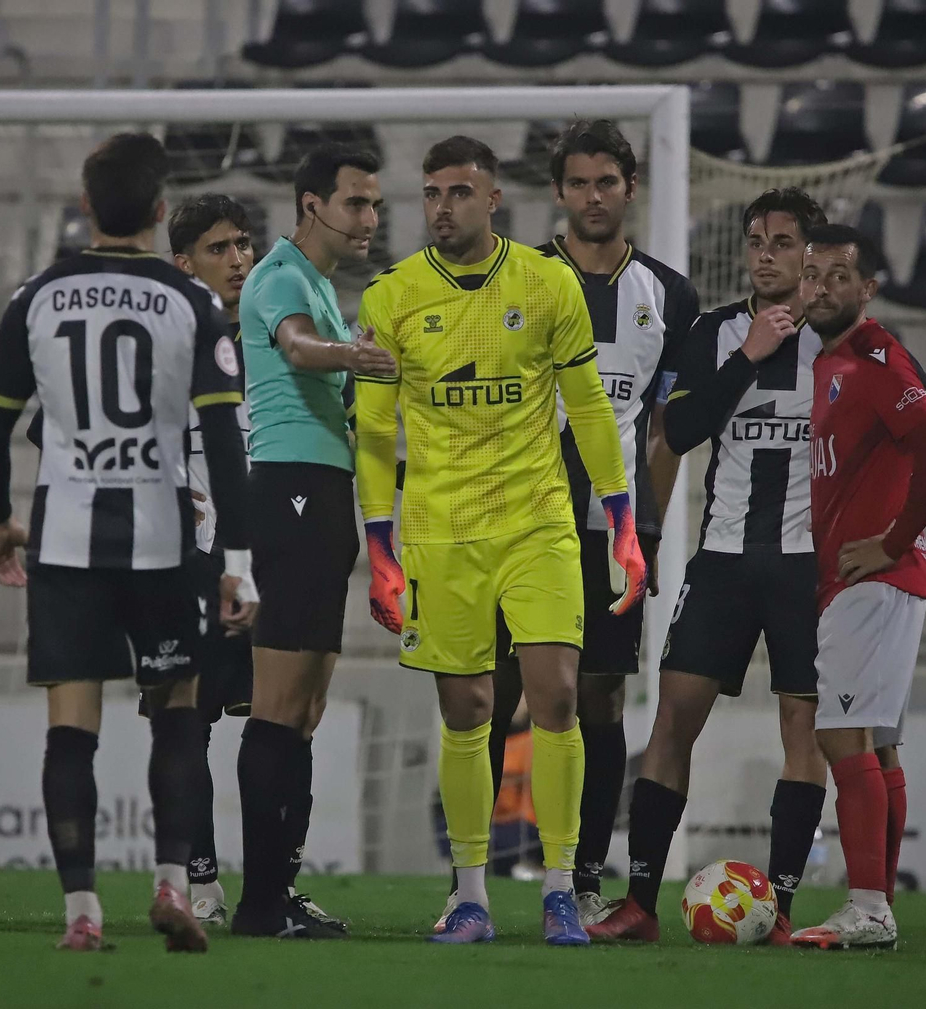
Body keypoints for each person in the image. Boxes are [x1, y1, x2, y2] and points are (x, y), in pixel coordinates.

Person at [355, 135, 645, 946]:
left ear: (493, 200)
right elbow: (373, 432)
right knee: (468, 707)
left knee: (558, 695)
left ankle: (560, 888)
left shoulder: (547, 283)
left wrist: (623, 524)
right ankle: (472, 895)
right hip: (440, 531)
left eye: (458, 192)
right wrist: (378, 547)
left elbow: (589, 409)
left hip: (537, 523)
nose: (441, 207)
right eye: (431, 193)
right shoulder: (392, 296)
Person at [0, 133, 254, 954]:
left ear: (86, 205)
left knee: (72, 728)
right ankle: (172, 884)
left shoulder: (37, 296)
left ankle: (82, 912)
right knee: (177, 714)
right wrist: (235, 563)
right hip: (163, 542)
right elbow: (224, 442)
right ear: (161, 210)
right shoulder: (190, 301)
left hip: (66, 543)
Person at [434, 120, 698, 932]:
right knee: (494, 690)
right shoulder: (515, 276)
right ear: (557, 192)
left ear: (629, 188)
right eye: (578, 183)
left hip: (607, 528)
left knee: (599, 695)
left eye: (606, 182)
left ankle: (580, 879)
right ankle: (467, 882)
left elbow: (664, 428)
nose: (593, 196)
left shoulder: (670, 294)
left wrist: (643, 530)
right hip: (513, 519)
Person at [590, 188, 831, 945]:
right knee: (672, 718)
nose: (764, 255)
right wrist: (748, 356)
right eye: (756, 241)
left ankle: (782, 907)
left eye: (782, 242)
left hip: (806, 567)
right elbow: (681, 429)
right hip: (723, 560)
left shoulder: (839, 340)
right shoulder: (716, 331)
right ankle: (639, 902)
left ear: (810, 255)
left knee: (804, 729)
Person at [230, 143, 394, 939]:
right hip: (289, 487)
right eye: (356, 202)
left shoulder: (321, 284)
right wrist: (357, 355)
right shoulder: (281, 277)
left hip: (323, 492)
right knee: (277, 703)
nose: (370, 217)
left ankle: (280, 890)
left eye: (375, 204)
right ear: (310, 204)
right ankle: (259, 903)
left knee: (306, 706)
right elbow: (297, 346)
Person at [789, 224, 926, 950]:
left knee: (839, 732)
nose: (822, 288)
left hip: (875, 576)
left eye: (839, 276)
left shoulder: (877, 357)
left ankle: (868, 906)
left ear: (868, 288)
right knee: (879, 743)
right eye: (812, 275)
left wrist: (891, 541)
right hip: (870, 580)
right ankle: (877, 905)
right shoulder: (833, 360)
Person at [167, 193, 260, 928]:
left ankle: (272, 885)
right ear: (183, 263)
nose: (238, 260)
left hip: (265, 557)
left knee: (281, 720)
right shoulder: (156, 338)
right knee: (184, 722)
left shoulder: (277, 335)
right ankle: (200, 881)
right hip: (185, 559)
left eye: (244, 245)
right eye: (218, 248)